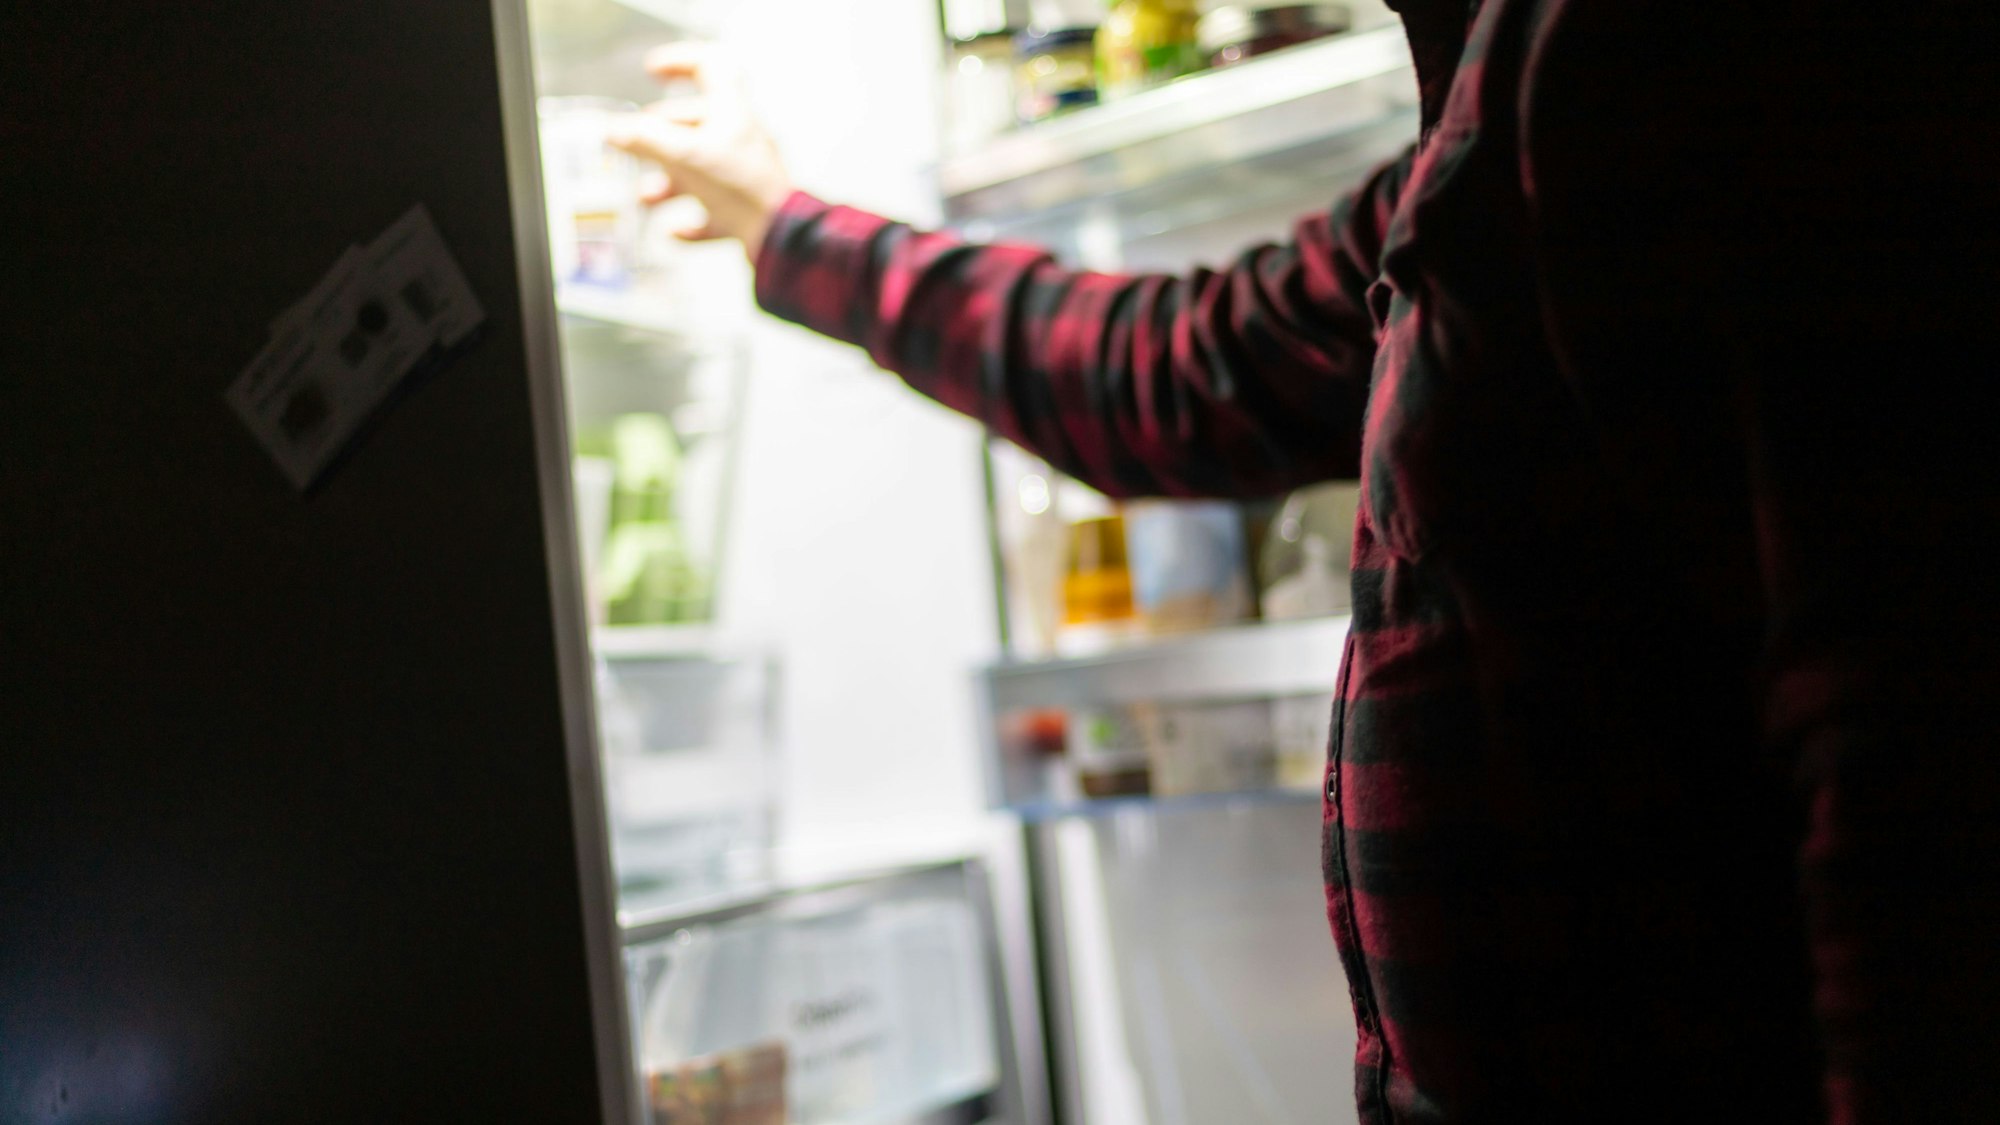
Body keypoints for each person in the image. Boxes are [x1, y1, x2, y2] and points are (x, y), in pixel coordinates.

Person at [612, 1, 2000, 1119]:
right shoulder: (1476, 140)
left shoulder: (1660, 58)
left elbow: (1897, 735)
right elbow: (1175, 366)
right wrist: (783, 230)